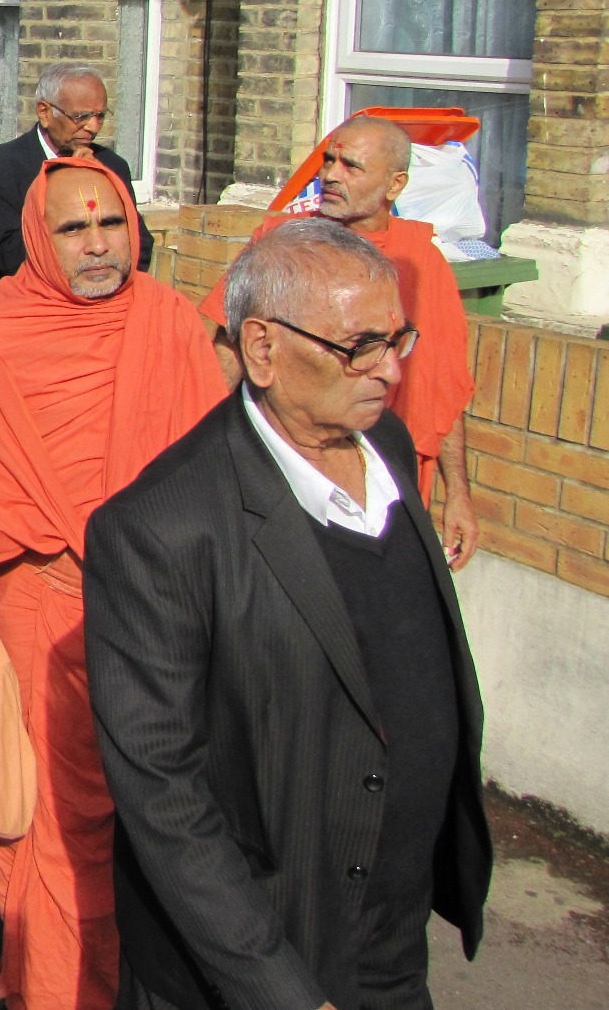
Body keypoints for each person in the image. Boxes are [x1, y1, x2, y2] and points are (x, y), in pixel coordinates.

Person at [86, 218, 491, 1010]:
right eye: (359, 347)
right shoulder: (160, 528)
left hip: (392, 938)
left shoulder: (392, 448)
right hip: (264, 963)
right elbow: (164, 795)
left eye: (399, 341)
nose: (391, 372)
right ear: (263, 349)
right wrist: (281, 990)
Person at [0, 154, 227, 1010]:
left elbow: (217, 476)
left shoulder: (170, 321)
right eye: (74, 228)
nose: (98, 245)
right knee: (59, 830)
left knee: (171, 822)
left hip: (166, 619)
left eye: (112, 224)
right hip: (45, 612)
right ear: (37, 236)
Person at [198, 114, 480, 568]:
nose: (329, 175)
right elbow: (226, 357)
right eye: (328, 159)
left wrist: (459, 496)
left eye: (351, 166)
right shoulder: (282, 243)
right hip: (284, 463)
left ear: (395, 185)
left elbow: (443, 391)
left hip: (383, 474)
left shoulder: (421, 262)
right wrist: (195, 453)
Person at [0, 62, 153, 295]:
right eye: (81, 116)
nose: (93, 127)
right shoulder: (1, 167)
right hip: (30, 308)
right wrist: (66, 180)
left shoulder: (112, 166)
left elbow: (142, 247)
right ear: (44, 113)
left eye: (100, 116)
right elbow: (10, 258)